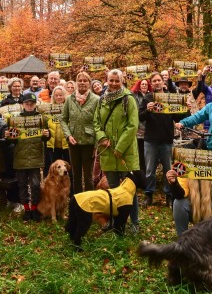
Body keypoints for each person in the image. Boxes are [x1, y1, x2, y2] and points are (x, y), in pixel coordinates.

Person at [94, 69, 141, 228]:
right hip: (107, 152)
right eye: (111, 80)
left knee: (130, 191)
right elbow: (96, 122)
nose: (113, 83)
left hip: (125, 153)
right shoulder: (101, 100)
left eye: (117, 81)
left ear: (122, 81)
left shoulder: (129, 99)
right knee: (113, 190)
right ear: (106, 80)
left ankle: (135, 222)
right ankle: (117, 223)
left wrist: (120, 147)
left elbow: (132, 126)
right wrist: (102, 137)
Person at [12, 93, 52, 221]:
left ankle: (35, 208)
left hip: (35, 156)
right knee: (22, 184)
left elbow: (46, 138)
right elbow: (11, 140)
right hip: (20, 156)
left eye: (32, 103)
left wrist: (47, 134)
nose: (29, 105)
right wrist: (9, 135)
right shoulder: (15, 119)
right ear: (22, 104)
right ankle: (26, 209)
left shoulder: (42, 119)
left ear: (35, 104)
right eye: (27, 103)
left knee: (35, 185)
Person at [139, 73, 177, 207]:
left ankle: (169, 196)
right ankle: (149, 194)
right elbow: (140, 117)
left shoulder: (171, 97)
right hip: (151, 140)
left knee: (168, 169)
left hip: (166, 139)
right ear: (151, 83)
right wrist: (147, 110)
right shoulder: (147, 98)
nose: (156, 83)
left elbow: (178, 117)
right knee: (150, 170)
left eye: (158, 80)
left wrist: (186, 110)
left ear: (163, 81)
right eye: (154, 81)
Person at [62, 71, 99, 193]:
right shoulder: (69, 99)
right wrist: (68, 135)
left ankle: (90, 203)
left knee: (88, 176)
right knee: (76, 174)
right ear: (76, 82)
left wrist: (96, 145)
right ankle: (77, 202)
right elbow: (63, 119)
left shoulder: (96, 100)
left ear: (89, 83)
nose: (82, 83)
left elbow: (99, 123)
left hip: (89, 142)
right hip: (74, 142)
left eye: (85, 80)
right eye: (80, 80)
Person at [44, 86, 71, 173]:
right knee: (55, 169)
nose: (59, 97)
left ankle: (70, 186)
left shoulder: (69, 108)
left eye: (61, 95)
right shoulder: (48, 109)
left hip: (67, 144)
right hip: (53, 145)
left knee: (68, 167)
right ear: (53, 97)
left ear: (64, 96)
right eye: (56, 95)